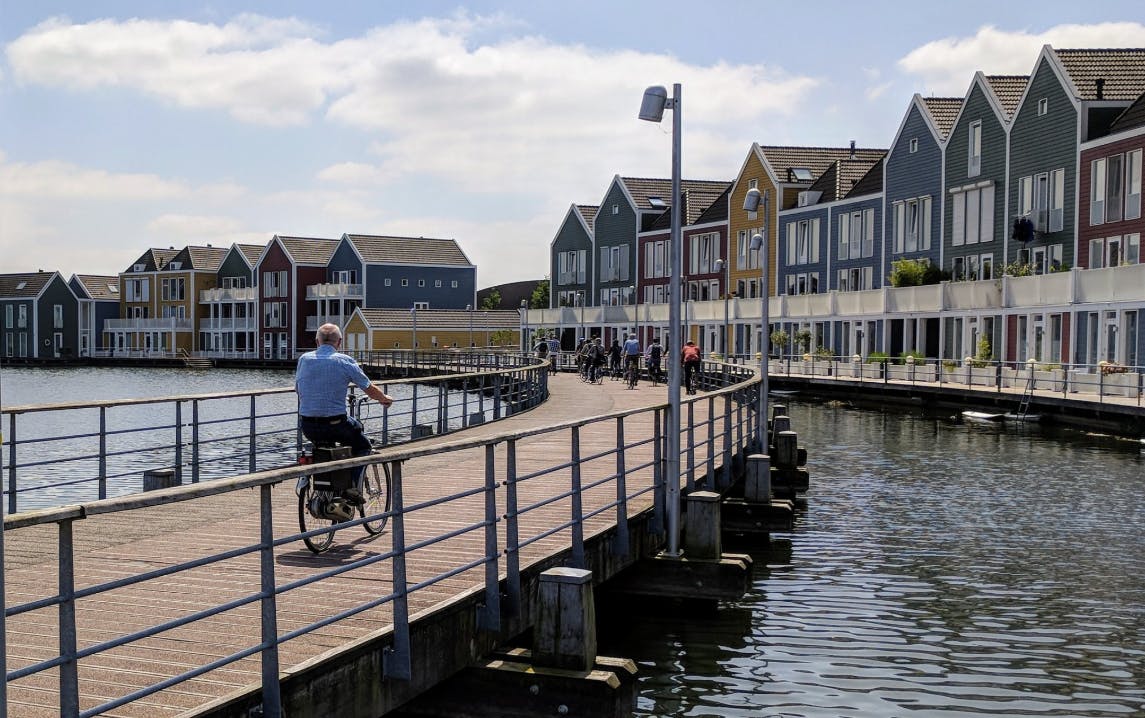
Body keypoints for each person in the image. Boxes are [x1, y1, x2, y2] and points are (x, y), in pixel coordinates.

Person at [296, 323, 395, 500]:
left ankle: (308, 478)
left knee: (321, 445)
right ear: (339, 342)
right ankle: (353, 488)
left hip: (308, 424)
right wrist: (384, 399)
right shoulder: (344, 361)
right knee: (362, 444)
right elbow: (368, 388)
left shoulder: (304, 359)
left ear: (317, 342)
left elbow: (298, 388)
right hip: (336, 424)